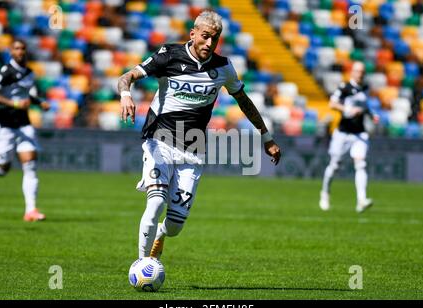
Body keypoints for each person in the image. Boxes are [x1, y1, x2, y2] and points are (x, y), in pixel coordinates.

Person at [118, 10, 281, 259]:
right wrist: (126, 95)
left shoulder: (223, 67)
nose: (209, 43)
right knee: (155, 203)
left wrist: (266, 138)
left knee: (175, 225)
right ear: (192, 33)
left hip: (192, 150)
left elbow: (244, 101)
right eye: (205, 37)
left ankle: (160, 235)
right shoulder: (169, 55)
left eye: (214, 39)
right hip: (158, 141)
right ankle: (142, 264)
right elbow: (126, 76)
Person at [0, 39, 49, 221]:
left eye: (23, 48)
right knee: (2, 168)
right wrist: (13, 103)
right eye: (16, 49)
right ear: (11, 52)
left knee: (30, 164)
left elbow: (26, 93)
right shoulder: (6, 72)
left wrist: (38, 102)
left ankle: (31, 211)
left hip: (24, 123)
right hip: (5, 124)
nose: (20, 52)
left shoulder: (29, 72)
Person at [319, 61, 379, 213]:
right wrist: (347, 108)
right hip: (343, 132)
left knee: (360, 164)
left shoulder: (365, 88)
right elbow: (332, 104)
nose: (360, 74)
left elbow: (365, 107)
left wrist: (372, 115)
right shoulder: (344, 87)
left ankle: (361, 200)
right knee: (334, 165)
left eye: (362, 71)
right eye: (358, 71)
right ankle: (325, 193)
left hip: (359, 132)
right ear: (352, 72)